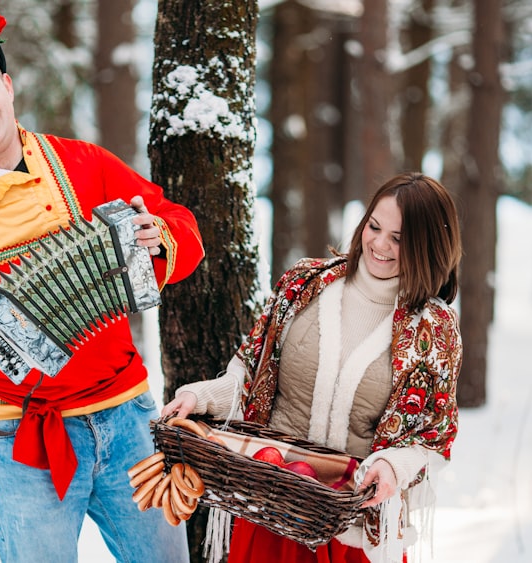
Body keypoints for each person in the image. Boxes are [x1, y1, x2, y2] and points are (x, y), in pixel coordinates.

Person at [0, 12, 204, 563]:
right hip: (19, 437)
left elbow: (180, 226)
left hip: (125, 416)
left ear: (8, 88)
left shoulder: (85, 163)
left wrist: (158, 235)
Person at [162, 173, 463, 563]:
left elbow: (433, 437)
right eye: (374, 226)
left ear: (426, 246)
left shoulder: (433, 328)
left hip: (352, 532)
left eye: (398, 238)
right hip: (271, 512)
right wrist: (199, 395)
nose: (378, 244)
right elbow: (250, 370)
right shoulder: (304, 283)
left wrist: (392, 465)